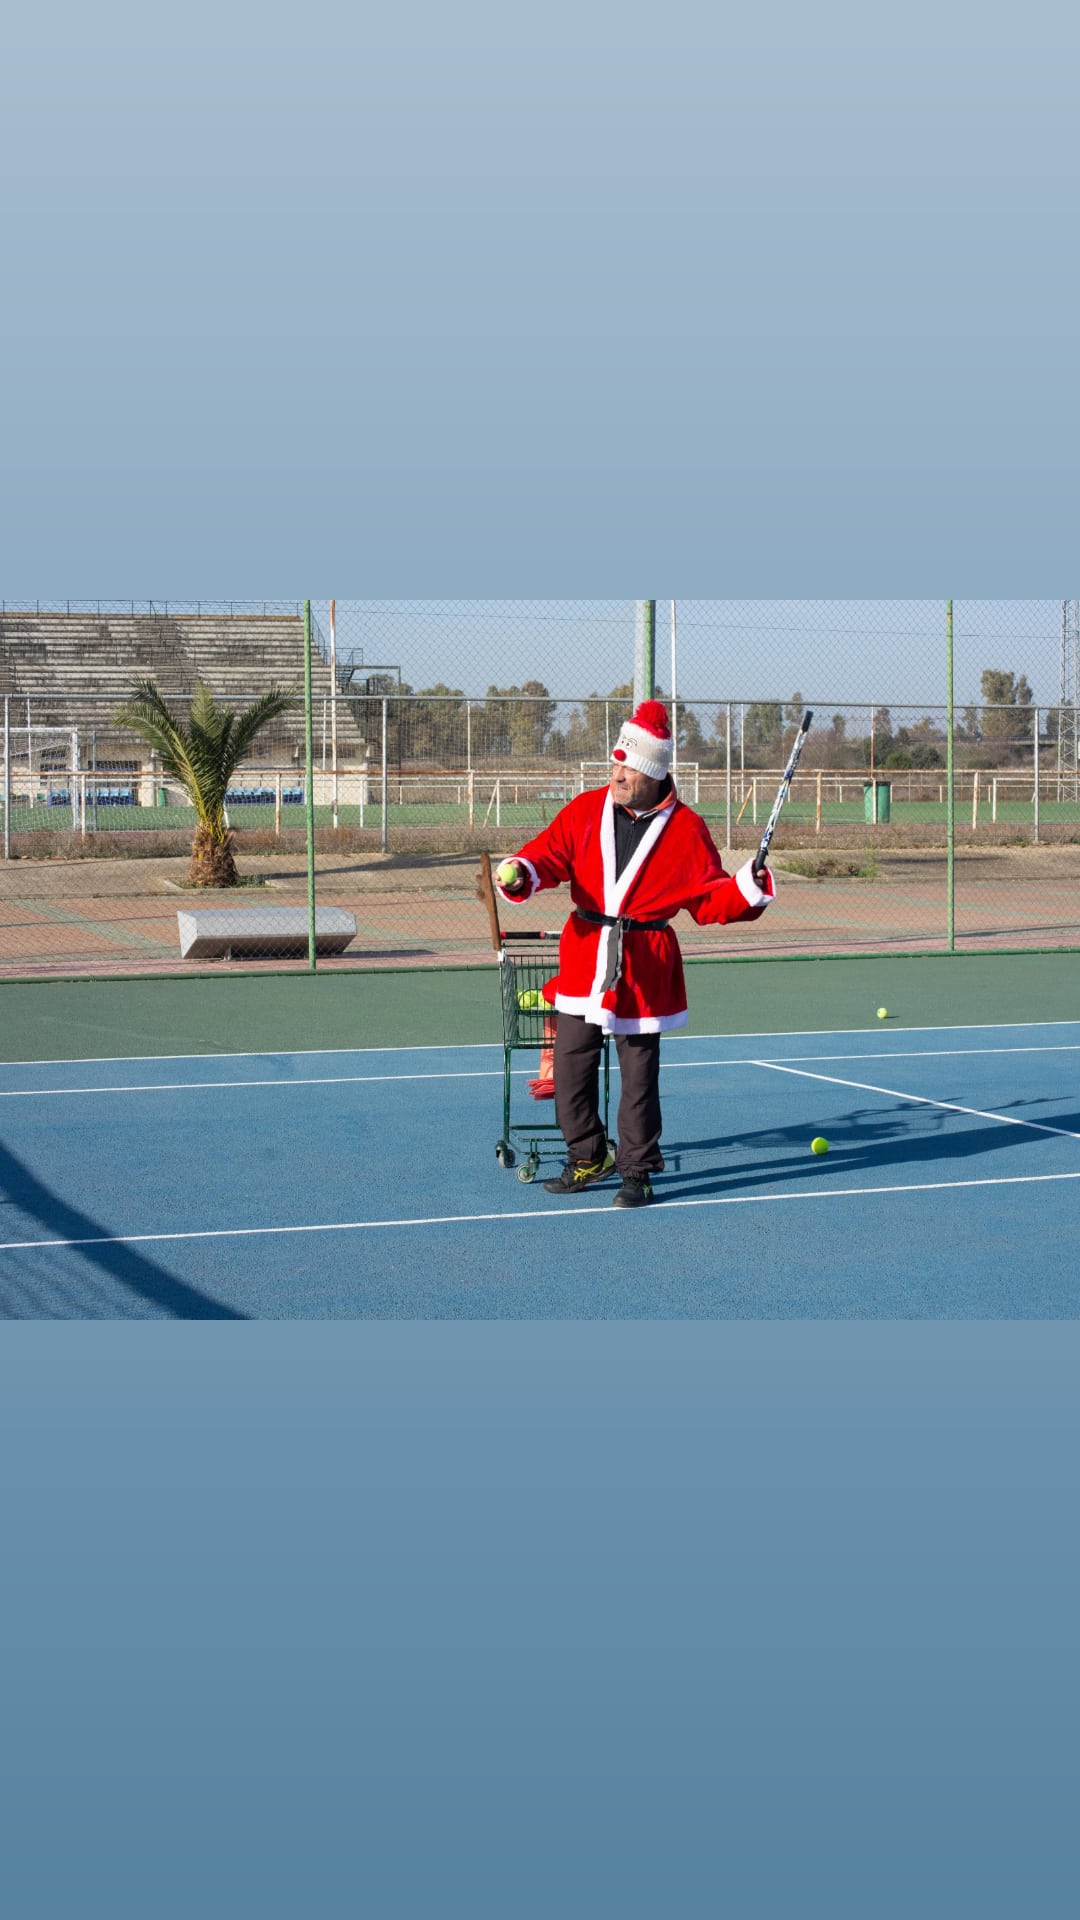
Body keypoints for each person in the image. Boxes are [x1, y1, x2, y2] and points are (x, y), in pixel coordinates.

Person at [494, 700, 775, 1208]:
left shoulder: (686, 828)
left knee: (639, 1079)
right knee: (569, 1066)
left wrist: (747, 887)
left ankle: (637, 1171)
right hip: (585, 955)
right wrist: (522, 870)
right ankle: (587, 1156)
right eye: (616, 764)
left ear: (654, 772)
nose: (618, 775)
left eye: (629, 768)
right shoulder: (585, 810)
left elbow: (709, 900)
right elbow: (547, 854)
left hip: (644, 965)